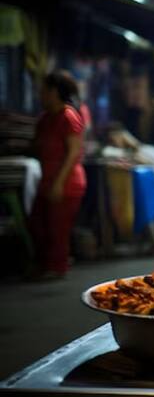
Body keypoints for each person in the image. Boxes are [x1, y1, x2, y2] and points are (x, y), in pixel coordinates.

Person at [29, 71, 87, 279]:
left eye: (43, 91)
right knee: (38, 223)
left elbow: (74, 153)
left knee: (57, 228)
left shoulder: (68, 116)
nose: (40, 95)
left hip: (67, 182)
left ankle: (56, 267)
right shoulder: (45, 118)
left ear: (53, 92)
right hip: (47, 180)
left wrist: (59, 183)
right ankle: (44, 265)